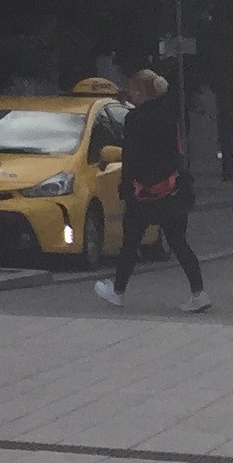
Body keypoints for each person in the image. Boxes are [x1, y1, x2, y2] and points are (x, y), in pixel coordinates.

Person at [96, 67, 209, 313]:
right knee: (179, 243)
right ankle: (199, 293)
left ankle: (117, 292)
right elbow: (177, 153)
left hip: (143, 194)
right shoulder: (170, 118)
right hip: (172, 190)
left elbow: (131, 159)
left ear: (141, 91)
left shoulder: (134, 119)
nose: (130, 93)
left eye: (133, 89)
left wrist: (125, 188)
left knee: (130, 244)